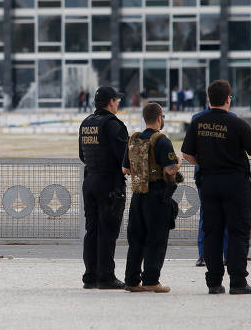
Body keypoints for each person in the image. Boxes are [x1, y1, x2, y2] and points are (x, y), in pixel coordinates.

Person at [181, 80, 251, 295]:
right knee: (238, 232)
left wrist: (205, 163)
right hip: (235, 184)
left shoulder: (198, 123)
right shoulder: (238, 124)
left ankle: (214, 282)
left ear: (209, 98)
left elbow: (186, 154)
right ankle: (238, 282)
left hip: (209, 183)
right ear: (228, 99)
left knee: (212, 232)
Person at [121, 102, 181, 293]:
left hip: (138, 194)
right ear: (159, 118)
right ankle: (151, 280)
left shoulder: (134, 139)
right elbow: (169, 169)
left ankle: (131, 280)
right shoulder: (161, 140)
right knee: (156, 238)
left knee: (136, 239)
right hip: (156, 195)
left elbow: (125, 169)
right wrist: (178, 163)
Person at [79, 86, 129, 289]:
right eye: (117, 101)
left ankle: (90, 275)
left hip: (90, 180)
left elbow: (82, 155)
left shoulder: (86, 123)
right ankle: (106, 277)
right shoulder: (113, 125)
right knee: (108, 231)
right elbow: (124, 157)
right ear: (110, 102)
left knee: (92, 230)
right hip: (109, 183)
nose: (118, 104)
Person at [191, 104, 232, 267]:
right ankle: (226, 255)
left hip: (205, 174)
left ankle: (204, 255)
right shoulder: (232, 119)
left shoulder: (197, 119)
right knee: (226, 215)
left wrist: (202, 163)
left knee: (206, 215)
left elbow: (189, 150)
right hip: (225, 174)